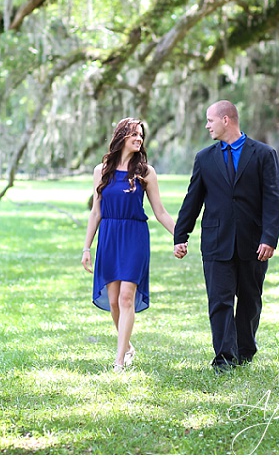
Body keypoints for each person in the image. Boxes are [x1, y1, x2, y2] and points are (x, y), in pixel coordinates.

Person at [173, 100, 279, 372]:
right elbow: (193, 200)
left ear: (226, 120)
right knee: (219, 301)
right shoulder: (204, 158)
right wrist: (180, 235)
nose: (207, 125)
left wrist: (269, 238)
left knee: (250, 300)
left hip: (253, 243)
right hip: (216, 242)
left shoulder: (263, 154)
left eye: (210, 120)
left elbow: (273, 199)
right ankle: (224, 358)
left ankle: (245, 351)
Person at [82, 118, 176, 373]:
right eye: (134, 134)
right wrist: (86, 248)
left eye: (141, 135)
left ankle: (119, 361)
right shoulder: (101, 171)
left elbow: (161, 212)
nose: (139, 139)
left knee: (126, 297)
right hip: (110, 236)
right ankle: (129, 347)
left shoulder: (146, 172)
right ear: (122, 136)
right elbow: (95, 213)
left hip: (134, 236)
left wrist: (179, 235)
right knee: (113, 300)